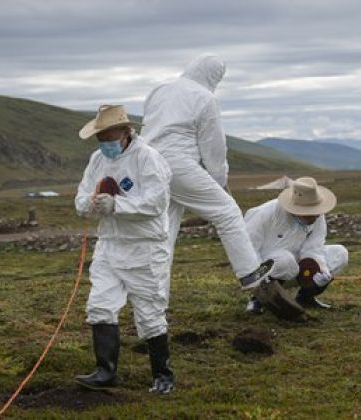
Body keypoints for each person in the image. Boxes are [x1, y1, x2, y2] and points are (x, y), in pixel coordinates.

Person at [141, 53, 272, 290]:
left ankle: (153, 297)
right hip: (178, 164)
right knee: (227, 212)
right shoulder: (205, 98)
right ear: (214, 76)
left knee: (164, 234)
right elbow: (213, 146)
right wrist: (219, 180)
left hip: (147, 163)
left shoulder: (160, 90)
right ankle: (250, 272)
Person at [74, 104, 174, 394]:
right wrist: (90, 204)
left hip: (145, 247)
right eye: (99, 137)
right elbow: (81, 196)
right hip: (109, 245)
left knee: (149, 312)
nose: (104, 142)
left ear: (125, 131)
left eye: (108, 136)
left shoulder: (148, 159)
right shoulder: (96, 160)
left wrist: (118, 205)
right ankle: (105, 372)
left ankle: (162, 375)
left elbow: (156, 202)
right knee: (100, 305)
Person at [242, 177, 349, 313]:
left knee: (340, 253)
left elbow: (314, 247)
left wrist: (320, 269)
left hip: (296, 266)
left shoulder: (317, 216)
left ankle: (305, 298)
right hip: (265, 267)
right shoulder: (264, 214)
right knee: (285, 260)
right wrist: (254, 281)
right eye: (311, 214)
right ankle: (258, 299)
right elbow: (247, 249)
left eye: (317, 212)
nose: (316, 217)